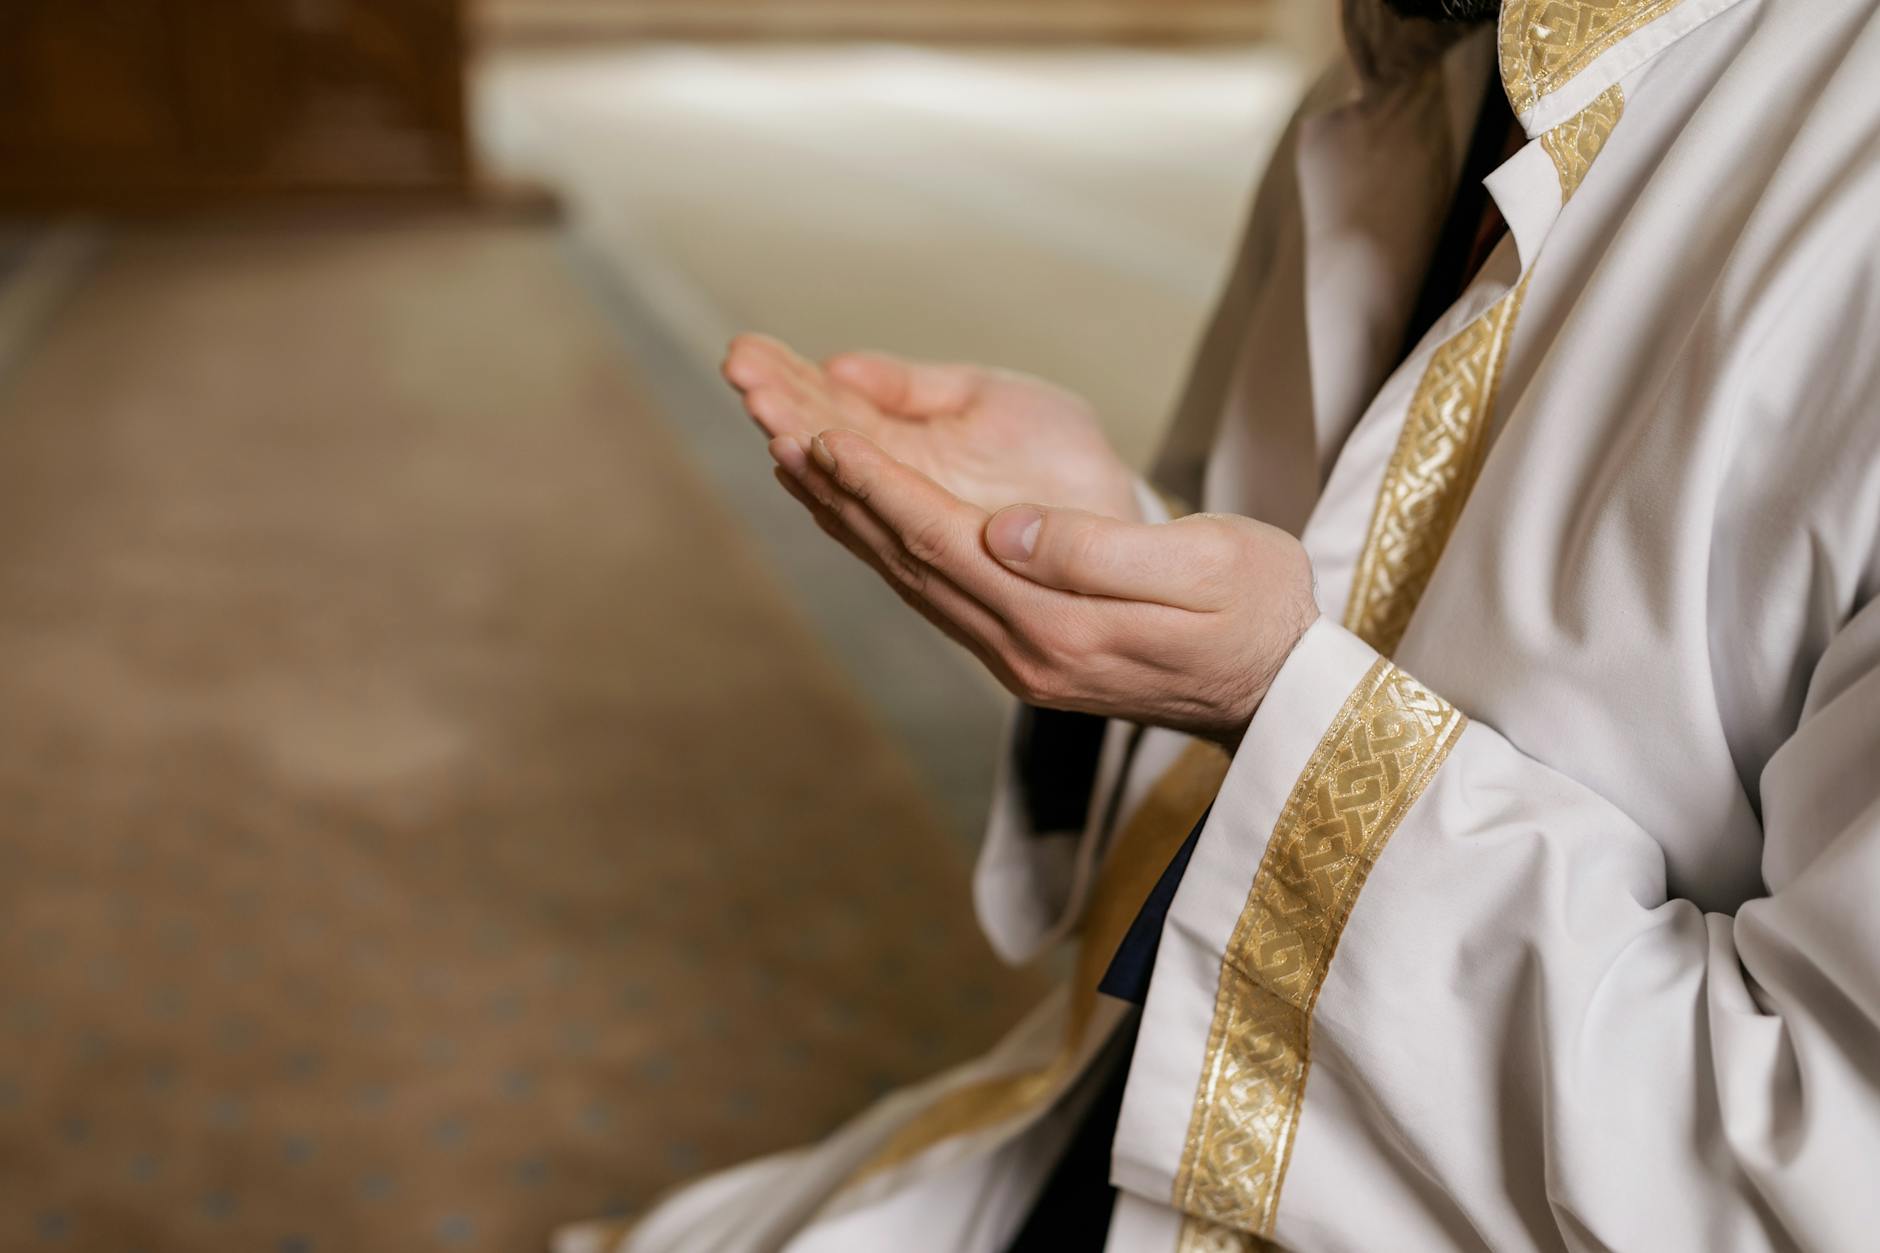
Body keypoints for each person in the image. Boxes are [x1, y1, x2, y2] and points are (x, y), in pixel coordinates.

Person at [560, 0, 1880, 1248]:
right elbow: (1305, 577)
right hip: (1134, 1103)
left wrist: (1276, 696)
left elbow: (1817, 1176)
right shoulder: (1414, 64)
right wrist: (1111, 546)